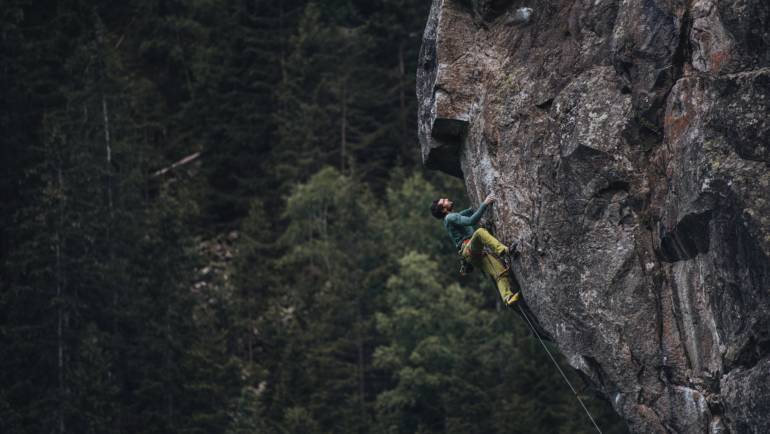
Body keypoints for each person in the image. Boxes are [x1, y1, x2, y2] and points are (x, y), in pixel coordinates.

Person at [430, 194, 521, 305]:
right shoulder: (450, 217)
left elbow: (470, 211)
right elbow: (471, 221)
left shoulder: (451, 217)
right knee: (479, 232)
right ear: (443, 209)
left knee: (499, 272)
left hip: (472, 255)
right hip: (469, 249)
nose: (447, 199)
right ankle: (505, 251)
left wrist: (476, 206)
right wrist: (485, 204)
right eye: (444, 201)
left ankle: (507, 298)